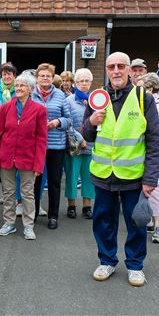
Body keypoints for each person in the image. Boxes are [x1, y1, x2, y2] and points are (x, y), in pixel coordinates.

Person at [82, 51, 159, 287]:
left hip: (133, 176)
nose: (116, 71)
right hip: (103, 174)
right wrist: (91, 122)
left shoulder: (142, 98)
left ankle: (135, 265)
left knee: (136, 222)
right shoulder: (97, 97)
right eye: (111, 66)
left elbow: (155, 141)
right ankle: (107, 260)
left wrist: (150, 179)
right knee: (103, 220)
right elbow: (86, 135)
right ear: (106, 70)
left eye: (121, 66)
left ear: (129, 69)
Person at [0, 72, 47, 239]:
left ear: (31, 89)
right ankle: (9, 223)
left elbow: (41, 139)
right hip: (6, 157)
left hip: (28, 158)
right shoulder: (6, 107)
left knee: (27, 193)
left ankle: (28, 225)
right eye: (17, 85)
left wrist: (38, 165)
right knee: (8, 192)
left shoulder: (39, 110)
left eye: (22, 85)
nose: (19, 88)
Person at [31, 63, 71, 229]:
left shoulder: (61, 95)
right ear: (37, 78)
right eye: (42, 76)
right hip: (35, 145)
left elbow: (69, 120)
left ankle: (53, 215)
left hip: (56, 145)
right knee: (34, 181)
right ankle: (31, 213)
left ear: (52, 78)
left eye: (48, 76)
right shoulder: (30, 95)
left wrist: (57, 122)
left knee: (54, 182)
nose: (45, 78)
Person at [137, 73, 159, 243]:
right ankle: (149, 220)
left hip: (155, 152)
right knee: (141, 185)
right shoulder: (139, 102)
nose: (137, 90)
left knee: (154, 186)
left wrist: (143, 120)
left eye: (141, 87)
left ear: (150, 88)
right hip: (139, 150)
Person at [64, 68, 95, 219]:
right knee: (72, 176)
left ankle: (87, 206)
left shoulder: (97, 100)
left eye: (86, 81)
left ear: (91, 82)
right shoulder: (69, 101)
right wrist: (79, 139)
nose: (84, 84)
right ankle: (71, 206)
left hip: (92, 146)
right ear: (75, 83)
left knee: (89, 177)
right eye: (80, 81)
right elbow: (68, 122)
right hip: (74, 145)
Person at [0, 62, 17, 196]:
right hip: (0, 131)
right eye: (4, 74)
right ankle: (5, 194)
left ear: (14, 76)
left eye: (9, 74)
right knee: (4, 164)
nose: (6, 77)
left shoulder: (18, 91)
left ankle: (16, 196)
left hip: (15, 132)